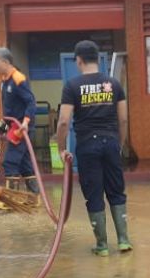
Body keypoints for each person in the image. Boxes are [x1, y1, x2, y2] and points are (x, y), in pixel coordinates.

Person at [56, 40, 131, 256]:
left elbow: (63, 121)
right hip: (111, 143)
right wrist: (120, 144)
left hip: (87, 146)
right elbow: (124, 120)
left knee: (94, 193)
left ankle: (102, 245)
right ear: (98, 59)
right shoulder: (114, 84)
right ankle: (124, 240)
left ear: (78, 61)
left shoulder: (72, 86)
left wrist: (62, 148)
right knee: (116, 190)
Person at [0, 47, 39, 194]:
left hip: (21, 128)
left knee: (10, 161)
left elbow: (31, 102)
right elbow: (10, 108)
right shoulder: (5, 81)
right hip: (12, 124)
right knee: (25, 164)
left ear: (6, 62)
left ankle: (12, 197)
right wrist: (1, 125)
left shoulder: (18, 79)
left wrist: (25, 122)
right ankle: (34, 196)